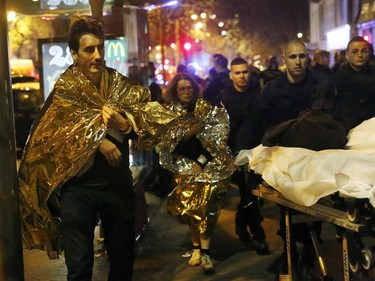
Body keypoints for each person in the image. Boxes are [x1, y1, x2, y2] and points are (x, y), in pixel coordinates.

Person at [18, 16, 153, 281]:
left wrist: (125, 125)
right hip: (78, 189)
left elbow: (146, 124)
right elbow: (50, 138)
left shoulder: (118, 85)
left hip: (116, 185)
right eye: (89, 49)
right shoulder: (65, 92)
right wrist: (96, 141)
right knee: (79, 266)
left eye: (100, 48)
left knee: (123, 259)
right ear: (74, 54)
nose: (97, 55)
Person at [237, 38, 336, 280]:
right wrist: (242, 151)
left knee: (314, 209)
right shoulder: (272, 89)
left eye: (302, 56)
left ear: (308, 58)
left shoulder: (320, 84)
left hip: (314, 157)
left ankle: (311, 255)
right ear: (284, 60)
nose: (298, 61)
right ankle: (289, 254)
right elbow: (254, 119)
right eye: (293, 57)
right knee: (288, 213)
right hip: (284, 158)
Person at [158, 73, 235, 275]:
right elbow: (168, 145)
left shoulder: (206, 111)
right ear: (175, 91)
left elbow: (215, 141)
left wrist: (200, 162)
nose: (186, 92)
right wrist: (188, 134)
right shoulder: (169, 114)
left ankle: (206, 252)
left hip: (208, 167)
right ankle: (196, 249)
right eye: (182, 88)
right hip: (182, 169)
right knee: (191, 211)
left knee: (207, 209)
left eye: (189, 88)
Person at [214, 57, 270, 255]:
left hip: (257, 152)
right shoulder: (223, 98)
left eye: (245, 72)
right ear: (231, 75)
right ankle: (255, 232)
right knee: (248, 194)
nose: (242, 76)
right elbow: (218, 129)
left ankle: (247, 228)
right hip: (233, 154)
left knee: (251, 195)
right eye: (237, 73)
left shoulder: (259, 95)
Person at [333, 35, 375, 132]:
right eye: (355, 51)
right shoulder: (338, 78)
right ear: (347, 55)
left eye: (364, 51)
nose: (360, 55)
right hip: (347, 129)